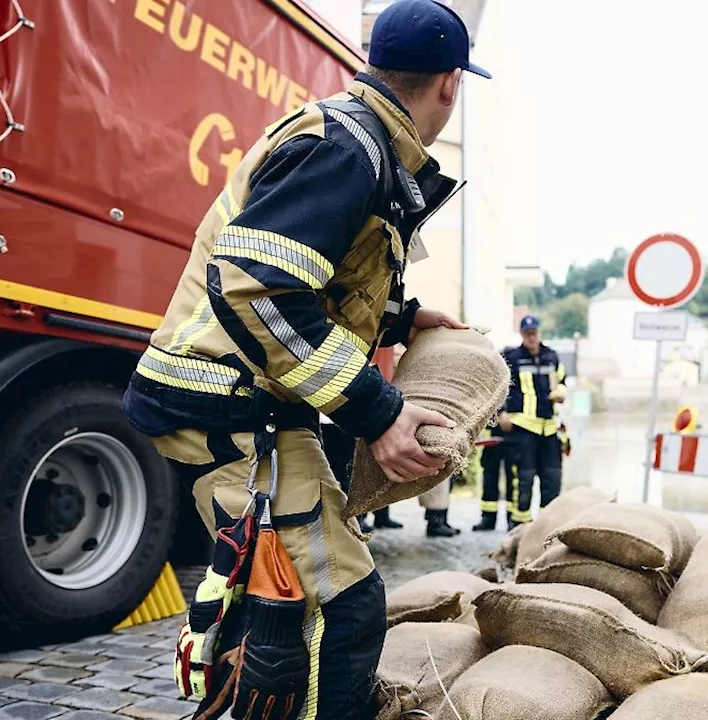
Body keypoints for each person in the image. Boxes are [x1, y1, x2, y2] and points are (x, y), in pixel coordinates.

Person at [119, 0, 489, 715]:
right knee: (338, 602)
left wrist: (400, 318)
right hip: (226, 409)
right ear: (450, 83)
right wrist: (379, 411)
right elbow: (259, 290)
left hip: (236, 404)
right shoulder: (347, 148)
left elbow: (314, 285)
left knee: (283, 593)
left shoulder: (354, 139)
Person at [499, 316, 567, 529]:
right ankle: (520, 526)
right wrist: (502, 412)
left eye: (534, 332)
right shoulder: (511, 357)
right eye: (527, 333)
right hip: (523, 427)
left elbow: (562, 382)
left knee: (552, 479)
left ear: (539, 332)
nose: (531, 336)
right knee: (524, 479)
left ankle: (548, 527)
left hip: (549, 428)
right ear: (522, 335)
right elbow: (499, 386)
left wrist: (561, 392)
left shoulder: (551, 356)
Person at [471, 418, 509, 531]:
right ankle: (488, 518)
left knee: (514, 478)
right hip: (492, 434)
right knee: (489, 478)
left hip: (514, 432)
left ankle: (513, 519)